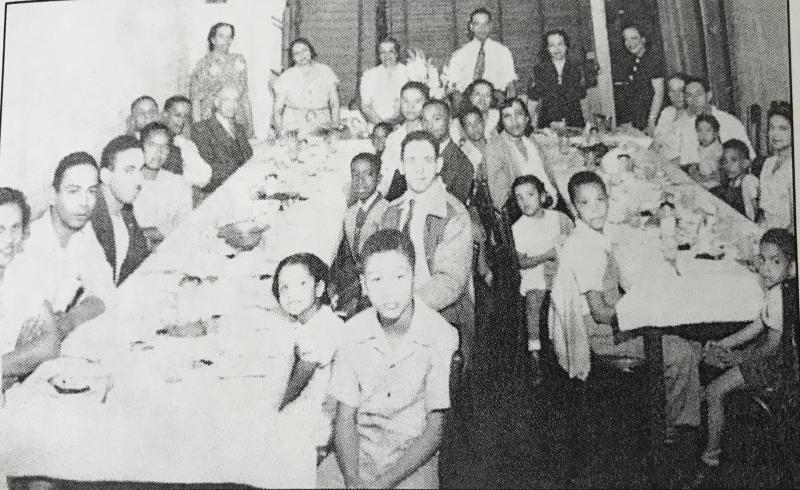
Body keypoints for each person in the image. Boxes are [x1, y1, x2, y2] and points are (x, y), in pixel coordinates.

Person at [549, 171, 702, 433]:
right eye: (585, 203)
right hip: (602, 335)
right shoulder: (585, 249)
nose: (596, 209)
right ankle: (671, 430)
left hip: (611, 322)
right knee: (683, 352)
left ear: (608, 200)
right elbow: (599, 312)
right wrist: (645, 316)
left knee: (689, 343)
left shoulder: (590, 235)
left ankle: (681, 404)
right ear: (574, 207)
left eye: (600, 200)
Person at [318, 228, 458, 488]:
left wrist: (383, 483)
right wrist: (352, 479)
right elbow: (345, 416)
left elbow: (435, 428)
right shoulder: (351, 333)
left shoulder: (439, 334)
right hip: (359, 451)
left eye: (399, 277)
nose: (388, 292)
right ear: (363, 285)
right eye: (377, 279)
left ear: (414, 278)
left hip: (411, 457)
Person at [698, 228, 795, 474]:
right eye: (762, 259)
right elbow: (758, 325)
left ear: (792, 267)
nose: (766, 267)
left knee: (714, 390)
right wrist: (725, 344)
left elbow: (772, 345)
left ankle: (711, 454)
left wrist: (739, 357)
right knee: (712, 357)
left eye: (776, 261)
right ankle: (705, 413)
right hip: (771, 359)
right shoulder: (777, 289)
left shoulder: (780, 296)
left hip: (776, 368)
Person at [2, 154, 112, 361]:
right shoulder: (25, 245)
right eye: (74, 191)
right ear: (53, 195)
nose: (85, 203)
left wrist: (67, 322)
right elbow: (26, 337)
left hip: (46, 350)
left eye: (92, 191)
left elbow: (104, 289)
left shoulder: (83, 232)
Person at [381, 131, 474, 368]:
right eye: (411, 161)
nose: (420, 169)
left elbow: (450, 283)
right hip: (396, 308)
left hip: (443, 311)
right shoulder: (391, 211)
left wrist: (403, 310)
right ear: (401, 166)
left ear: (439, 164)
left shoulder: (453, 213)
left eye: (427, 160)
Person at [273, 252, 345, 460]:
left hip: (318, 423)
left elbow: (298, 383)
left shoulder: (321, 329)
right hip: (314, 404)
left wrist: (275, 405)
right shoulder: (314, 318)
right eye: (284, 288)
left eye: (301, 284)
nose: (291, 293)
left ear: (319, 288)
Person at [0, 188, 61, 393]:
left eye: (15, 227)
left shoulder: (20, 270)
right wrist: (21, 355)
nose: (8, 239)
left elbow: (51, 344)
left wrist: (10, 362)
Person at [511, 175, 573, 373]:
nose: (524, 201)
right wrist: (546, 256)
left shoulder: (558, 218)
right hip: (534, 271)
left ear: (542, 196)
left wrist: (565, 248)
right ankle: (534, 348)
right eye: (519, 197)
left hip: (562, 268)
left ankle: (570, 341)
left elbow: (574, 239)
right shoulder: (519, 228)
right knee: (534, 298)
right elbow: (521, 261)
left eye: (530, 195)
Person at [330, 153, 390, 318]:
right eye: (355, 175)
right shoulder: (350, 213)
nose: (360, 180)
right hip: (359, 282)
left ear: (378, 179)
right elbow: (347, 256)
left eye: (368, 174)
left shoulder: (387, 212)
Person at [91, 135, 149, 286]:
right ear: (105, 176)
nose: (139, 181)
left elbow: (139, 258)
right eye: (129, 170)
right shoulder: (90, 220)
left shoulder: (124, 209)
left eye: (140, 170)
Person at [484, 97, 557, 209]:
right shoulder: (496, 149)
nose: (514, 121)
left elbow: (548, 174)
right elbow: (501, 199)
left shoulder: (531, 140)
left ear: (527, 118)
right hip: (528, 211)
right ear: (502, 122)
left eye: (519, 114)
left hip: (552, 200)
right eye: (507, 116)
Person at [189, 22, 254, 138]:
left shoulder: (239, 61)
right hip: (211, 123)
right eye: (221, 36)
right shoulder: (203, 65)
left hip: (236, 121)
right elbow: (195, 102)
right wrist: (200, 133)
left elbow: (244, 98)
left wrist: (250, 130)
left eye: (229, 37)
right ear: (213, 39)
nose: (226, 40)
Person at [133, 122, 193, 245]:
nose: (159, 152)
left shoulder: (178, 183)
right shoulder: (128, 182)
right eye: (152, 145)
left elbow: (184, 228)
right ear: (141, 146)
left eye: (164, 146)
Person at [192, 85, 254, 197]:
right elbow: (209, 169)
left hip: (243, 187)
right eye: (226, 100)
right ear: (216, 102)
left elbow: (249, 157)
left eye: (235, 101)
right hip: (217, 193)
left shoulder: (239, 128)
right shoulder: (201, 129)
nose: (232, 105)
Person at [272, 38, 341, 136]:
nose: (302, 55)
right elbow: (277, 110)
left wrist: (335, 128)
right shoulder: (286, 77)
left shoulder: (326, 72)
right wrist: (280, 133)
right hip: (293, 126)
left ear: (311, 51)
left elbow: (334, 103)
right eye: (297, 53)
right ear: (293, 57)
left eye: (304, 50)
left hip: (322, 125)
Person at [679, 76, 753, 166]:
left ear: (709, 95)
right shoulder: (687, 127)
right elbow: (686, 162)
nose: (694, 100)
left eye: (699, 94)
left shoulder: (729, 122)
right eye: (689, 95)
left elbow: (749, 158)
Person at [447, 8, 517, 101]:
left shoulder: (502, 52)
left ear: (491, 26)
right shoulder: (460, 54)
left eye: (485, 24)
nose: (482, 28)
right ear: (471, 27)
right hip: (468, 100)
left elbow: (510, 84)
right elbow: (452, 84)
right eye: (477, 24)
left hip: (495, 99)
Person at [528, 29, 589, 129]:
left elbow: (584, 102)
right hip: (547, 128)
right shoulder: (538, 71)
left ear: (566, 46)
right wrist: (530, 128)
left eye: (560, 44)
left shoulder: (576, 70)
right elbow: (532, 103)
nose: (557, 49)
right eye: (552, 45)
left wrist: (588, 124)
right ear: (547, 49)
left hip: (575, 126)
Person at [379, 81, 429, 199]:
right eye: (406, 101)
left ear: (426, 104)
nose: (410, 107)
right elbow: (386, 172)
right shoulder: (394, 137)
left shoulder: (429, 134)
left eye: (417, 101)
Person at [614, 24, 665, 134]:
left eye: (634, 38)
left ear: (643, 39)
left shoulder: (652, 60)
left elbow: (659, 94)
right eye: (626, 39)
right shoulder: (634, 60)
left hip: (653, 120)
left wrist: (651, 122)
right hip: (639, 119)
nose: (630, 43)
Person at [422, 99, 474, 205]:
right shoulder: (417, 153)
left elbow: (454, 210)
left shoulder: (462, 165)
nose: (429, 126)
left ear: (449, 120)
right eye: (425, 121)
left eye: (436, 119)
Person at [161, 95, 213, 190]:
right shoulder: (153, 141)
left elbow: (205, 175)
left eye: (186, 117)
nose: (182, 121)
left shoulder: (185, 144)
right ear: (165, 115)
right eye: (177, 115)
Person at [758, 103, 794, 231]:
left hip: (784, 238)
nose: (775, 134)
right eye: (771, 127)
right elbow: (763, 211)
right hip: (766, 230)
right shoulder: (768, 163)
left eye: (782, 128)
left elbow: (794, 226)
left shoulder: (793, 168)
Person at [360, 37, 409, 125]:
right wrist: (381, 125)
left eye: (391, 51)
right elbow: (366, 106)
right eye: (383, 52)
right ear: (379, 55)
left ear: (397, 53)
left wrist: (394, 123)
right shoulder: (369, 75)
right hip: (376, 126)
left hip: (402, 125)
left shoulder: (408, 73)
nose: (387, 56)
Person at [710, 139, 758, 220]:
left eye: (733, 160)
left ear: (746, 163)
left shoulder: (749, 180)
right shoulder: (731, 182)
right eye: (725, 161)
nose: (728, 165)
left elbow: (754, 213)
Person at [651, 73, 690, 161]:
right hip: (660, 162)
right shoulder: (667, 112)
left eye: (681, 90)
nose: (677, 96)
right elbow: (656, 142)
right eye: (672, 91)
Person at [450, 78, 500, 145]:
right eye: (477, 94)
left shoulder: (498, 116)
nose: (482, 99)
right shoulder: (457, 124)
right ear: (470, 97)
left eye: (487, 95)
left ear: (491, 99)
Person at [686, 114, 723, 189]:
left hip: (714, 187)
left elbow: (717, 176)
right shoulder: (702, 146)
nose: (703, 134)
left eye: (708, 130)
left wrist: (700, 177)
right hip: (701, 182)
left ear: (716, 133)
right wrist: (695, 167)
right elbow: (701, 163)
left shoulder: (718, 151)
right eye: (699, 130)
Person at [458, 105, 488, 172]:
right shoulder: (462, 155)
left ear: (483, 122)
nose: (474, 127)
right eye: (469, 125)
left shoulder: (496, 145)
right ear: (463, 129)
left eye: (477, 122)